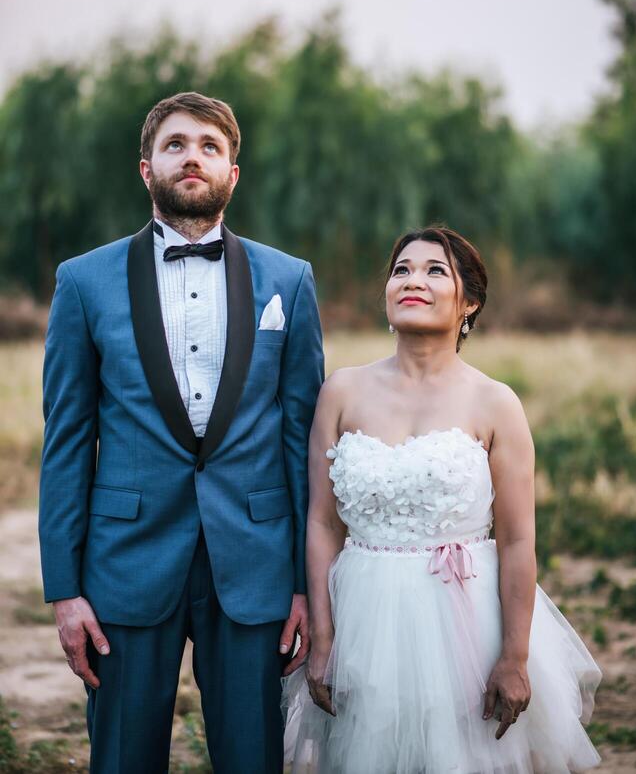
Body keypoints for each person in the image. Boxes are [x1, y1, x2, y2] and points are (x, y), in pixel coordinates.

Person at [38, 91, 324, 774]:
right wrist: (64, 589)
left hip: (255, 563)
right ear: (146, 169)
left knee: (253, 758)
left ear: (232, 172)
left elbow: (301, 439)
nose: (191, 156)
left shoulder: (291, 279)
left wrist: (305, 585)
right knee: (123, 758)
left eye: (209, 146)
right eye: (175, 144)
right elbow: (68, 440)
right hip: (123, 563)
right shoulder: (82, 282)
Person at [283, 226, 601, 774]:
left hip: (466, 623)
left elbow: (519, 538)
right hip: (364, 620)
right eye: (401, 269)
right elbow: (322, 523)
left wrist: (515, 656)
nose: (413, 281)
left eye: (435, 271)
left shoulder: (495, 402)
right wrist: (325, 639)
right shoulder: (341, 391)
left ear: (469, 302)